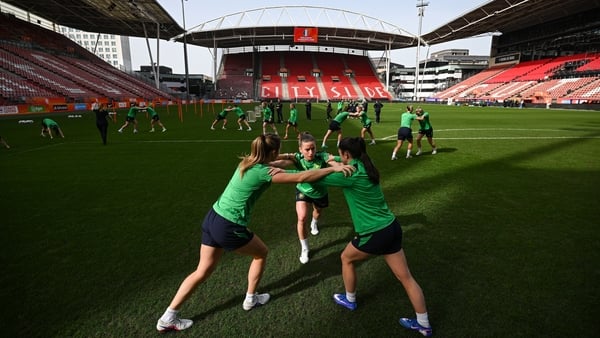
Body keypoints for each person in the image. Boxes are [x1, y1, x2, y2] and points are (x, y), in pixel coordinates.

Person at [155, 134, 355, 333]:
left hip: (213, 217)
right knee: (261, 253)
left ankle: (168, 316)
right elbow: (301, 176)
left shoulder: (248, 162)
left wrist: (293, 159)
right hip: (229, 225)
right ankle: (251, 299)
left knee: (202, 271)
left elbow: (282, 164)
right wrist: (331, 168)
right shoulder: (264, 171)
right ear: (273, 152)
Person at [319, 137, 432, 337]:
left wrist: (308, 166)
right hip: (392, 227)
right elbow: (341, 161)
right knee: (405, 277)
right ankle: (423, 323)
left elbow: (314, 177)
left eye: (341, 154)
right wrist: (332, 159)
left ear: (347, 155)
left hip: (374, 233)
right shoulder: (366, 164)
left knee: (346, 258)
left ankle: (350, 299)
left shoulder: (350, 173)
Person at [275, 132, 341, 264]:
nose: (310, 152)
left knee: (317, 212)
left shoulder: (322, 156)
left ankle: (314, 223)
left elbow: (335, 164)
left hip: (320, 193)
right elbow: (279, 162)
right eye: (307, 149)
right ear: (300, 149)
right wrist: (288, 155)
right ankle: (305, 248)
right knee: (301, 217)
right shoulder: (298, 158)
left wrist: (339, 166)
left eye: (313, 148)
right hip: (303, 191)